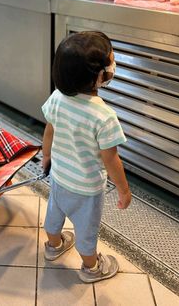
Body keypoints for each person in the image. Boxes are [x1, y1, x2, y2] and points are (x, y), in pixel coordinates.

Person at [41, 31, 131, 283]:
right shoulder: (104, 117)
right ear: (100, 76)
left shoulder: (57, 97)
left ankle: (53, 246)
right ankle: (91, 268)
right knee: (86, 230)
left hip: (59, 177)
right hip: (86, 188)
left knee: (54, 215)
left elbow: (49, 130)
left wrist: (46, 157)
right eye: (111, 59)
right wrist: (123, 190)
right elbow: (111, 160)